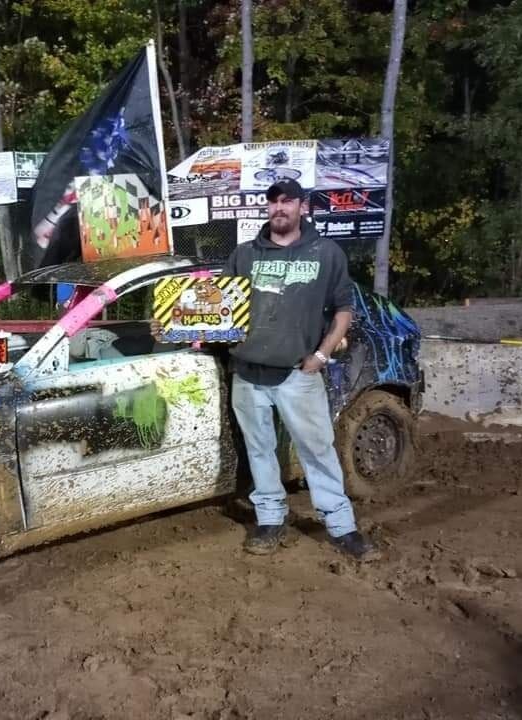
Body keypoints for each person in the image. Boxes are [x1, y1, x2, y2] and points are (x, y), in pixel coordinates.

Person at [157, 179, 374, 559]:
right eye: (273, 201)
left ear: (302, 207)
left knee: (317, 452)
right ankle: (271, 520)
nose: (279, 208)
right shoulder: (244, 255)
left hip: (297, 376)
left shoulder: (326, 253)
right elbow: (217, 310)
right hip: (248, 375)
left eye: (287, 201)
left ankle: (342, 527)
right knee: (259, 451)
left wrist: (321, 356)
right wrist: (174, 323)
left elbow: (344, 310)